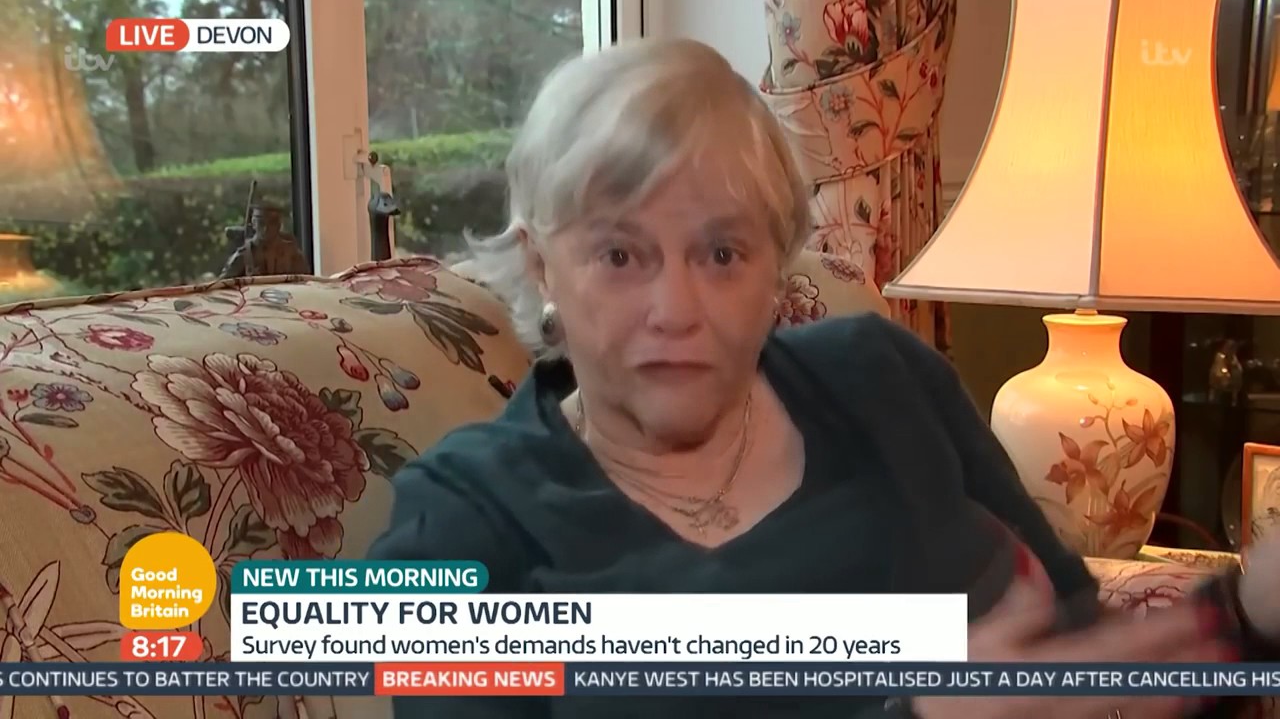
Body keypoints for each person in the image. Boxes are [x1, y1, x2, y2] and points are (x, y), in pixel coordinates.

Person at [368, 37, 1280, 718]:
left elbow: (1080, 662)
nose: (676, 308)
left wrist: (1244, 616)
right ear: (541, 268)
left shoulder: (884, 380)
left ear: (777, 268)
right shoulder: (458, 521)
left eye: (722, 253)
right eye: (619, 255)